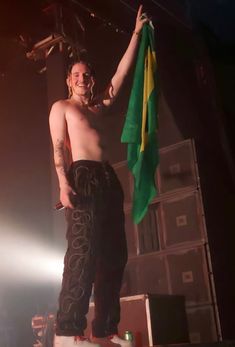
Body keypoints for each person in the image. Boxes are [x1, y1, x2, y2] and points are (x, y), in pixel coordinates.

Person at [49, 6, 148, 347]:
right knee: (82, 253)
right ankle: (66, 330)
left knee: (113, 256)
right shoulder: (62, 107)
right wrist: (64, 184)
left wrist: (135, 34)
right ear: (68, 80)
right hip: (83, 177)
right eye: (75, 74)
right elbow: (58, 149)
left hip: (107, 179)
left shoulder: (98, 106)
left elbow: (121, 74)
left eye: (86, 75)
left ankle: (104, 328)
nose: (81, 78)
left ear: (91, 79)